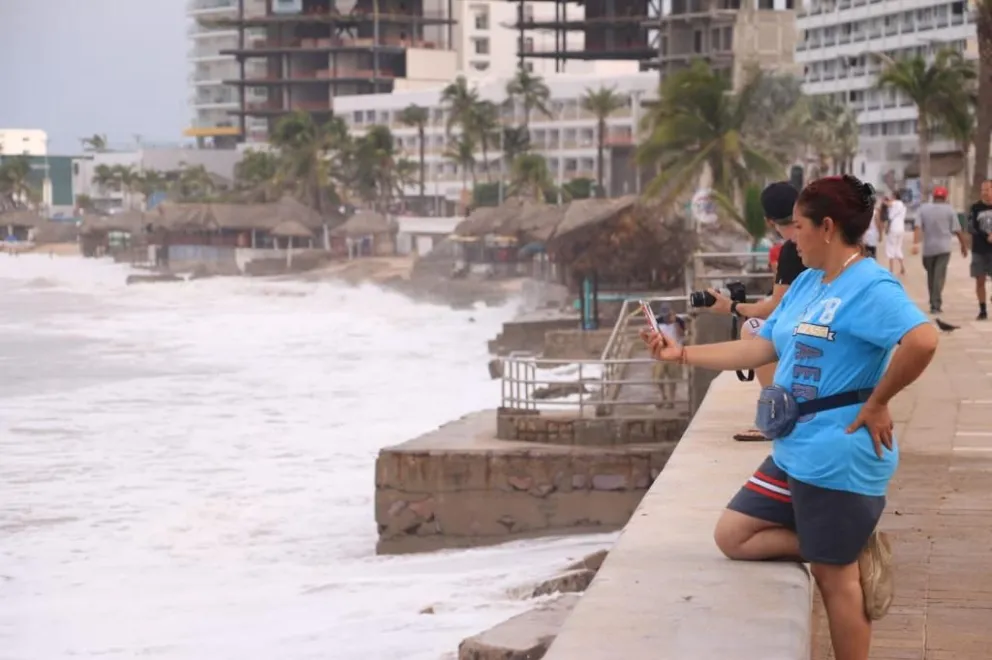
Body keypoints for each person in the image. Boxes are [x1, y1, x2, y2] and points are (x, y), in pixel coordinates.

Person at [642, 174, 938, 660]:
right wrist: (681, 355)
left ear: (826, 227)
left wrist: (880, 400)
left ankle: (840, 550)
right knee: (733, 534)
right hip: (796, 445)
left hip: (837, 450)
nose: (790, 236)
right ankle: (848, 542)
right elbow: (762, 345)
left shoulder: (869, 285)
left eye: (797, 226)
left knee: (832, 577)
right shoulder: (806, 283)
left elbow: (923, 340)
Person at [705, 181, 804, 441]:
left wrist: (733, 307)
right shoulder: (824, 235)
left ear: (769, 221)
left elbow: (774, 308)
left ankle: (776, 413)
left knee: (753, 328)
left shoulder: (793, 249)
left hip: (811, 333)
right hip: (834, 325)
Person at [913, 186, 968, 314]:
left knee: (931, 276)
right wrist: (963, 246)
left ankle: (934, 301)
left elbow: (917, 227)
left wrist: (915, 244)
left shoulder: (923, 208)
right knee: (939, 276)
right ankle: (935, 304)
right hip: (944, 248)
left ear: (934, 196)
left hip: (928, 249)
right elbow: (957, 230)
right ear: (945, 197)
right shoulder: (950, 210)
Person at [651, 304, 686, 408]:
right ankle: (663, 397)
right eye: (664, 316)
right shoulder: (657, 321)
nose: (666, 318)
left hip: (674, 352)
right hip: (661, 352)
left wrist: (675, 322)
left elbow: (682, 335)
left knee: (673, 378)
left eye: (668, 315)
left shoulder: (678, 321)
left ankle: (671, 400)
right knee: (658, 377)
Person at [968, 179, 992, 320]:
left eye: (988, 189)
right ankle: (982, 309)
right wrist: (987, 235)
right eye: (982, 190)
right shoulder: (975, 207)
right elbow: (972, 227)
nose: (985, 193)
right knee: (980, 280)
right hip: (979, 249)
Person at [883, 195, 907, 275]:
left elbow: (888, 204)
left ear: (895, 197)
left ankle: (891, 269)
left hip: (894, 228)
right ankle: (902, 267)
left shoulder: (896, 203)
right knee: (898, 248)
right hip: (901, 228)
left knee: (890, 248)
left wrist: (885, 201)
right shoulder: (903, 206)